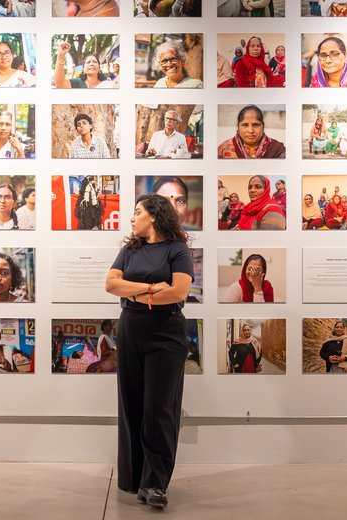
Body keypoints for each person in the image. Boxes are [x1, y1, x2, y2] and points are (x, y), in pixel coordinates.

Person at [104, 193, 195, 510]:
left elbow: (179, 291)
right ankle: (133, 480)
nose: (131, 218)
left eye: (137, 212)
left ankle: (155, 483)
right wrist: (150, 289)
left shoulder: (177, 250)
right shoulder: (130, 250)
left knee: (159, 408)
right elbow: (111, 284)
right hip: (131, 329)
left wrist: (131, 290)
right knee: (131, 404)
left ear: (154, 215)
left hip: (166, 334)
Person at [217, 104, 286, 159]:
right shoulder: (225, 149)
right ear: (238, 127)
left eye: (256, 125)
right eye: (245, 125)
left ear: (263, 127)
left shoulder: (277, 149)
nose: (250, 130)